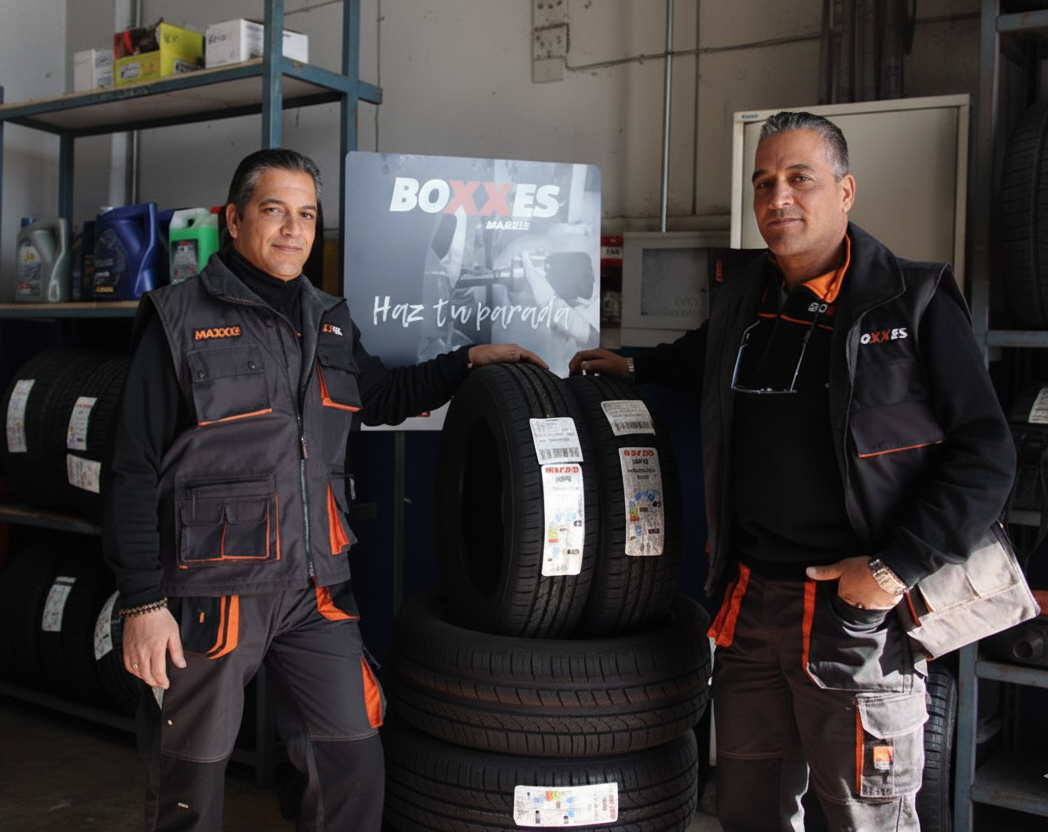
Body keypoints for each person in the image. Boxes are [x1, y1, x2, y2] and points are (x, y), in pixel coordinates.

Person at [569, 111, 1016, 831]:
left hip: (856, 614)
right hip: (750, 610)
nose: (779, 197)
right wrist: (633, 364)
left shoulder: (914, 301)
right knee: (748, 810)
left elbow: (986, 455)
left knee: (862, 817)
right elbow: (698, 360)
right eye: (764, 182)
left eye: (799, 179)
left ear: (845, 192)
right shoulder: (746, 299)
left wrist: (894, 568)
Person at [103, 147, 546, 832]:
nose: (292, 229)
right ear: (234, 219)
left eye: (306, 214)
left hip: (316, 588)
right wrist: (142, 602)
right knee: (189, 774)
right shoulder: (177, 318)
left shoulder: (329, 318)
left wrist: (466, 362)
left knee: (352, 759)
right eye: (274, 210)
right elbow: (132, 466)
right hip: (211, 590)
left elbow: (381, 395)